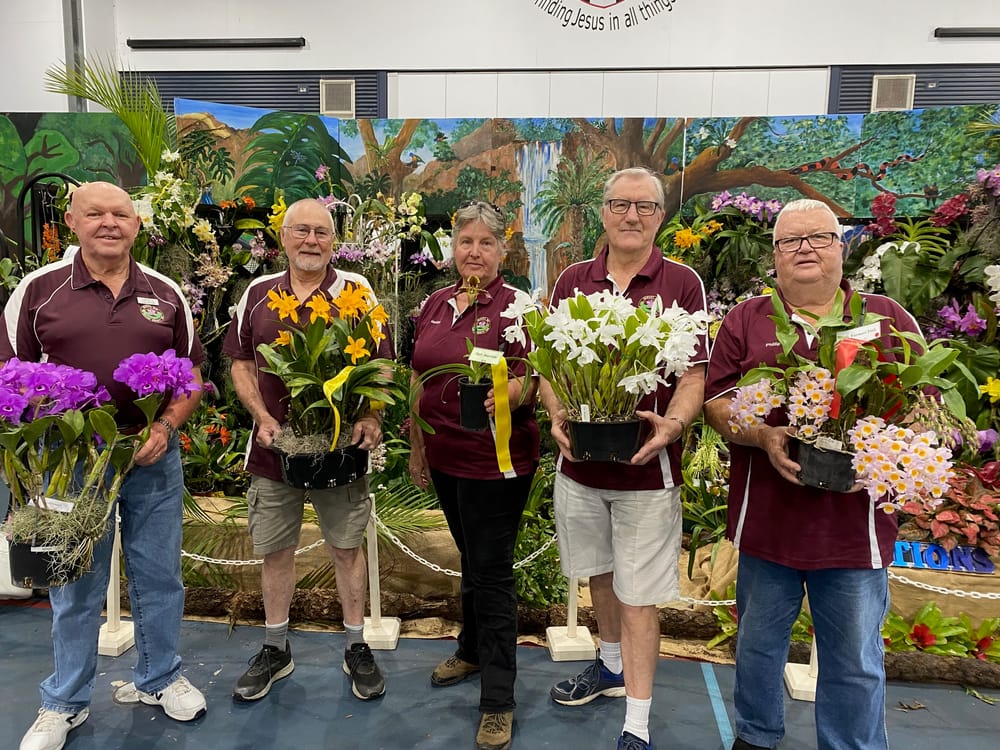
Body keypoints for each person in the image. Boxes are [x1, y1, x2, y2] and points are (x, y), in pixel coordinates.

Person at [703, 199, 922, 750]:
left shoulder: (887, 318)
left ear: (841, 249)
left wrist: (882, 447)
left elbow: (924, 406)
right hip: (768, 525)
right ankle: (754, 737)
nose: (804, 249)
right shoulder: (747, 320)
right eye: (790, 241)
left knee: (854, 660)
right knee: (756, 648)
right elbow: (717, 403)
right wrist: (763, 434)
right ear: (774, 256)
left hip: (854, 527)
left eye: (819, 238)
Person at [1, 181, 207, 750]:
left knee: (160, 574)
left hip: (151, 459)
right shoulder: (37, 292)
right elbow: (7, 373)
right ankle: (63, 701)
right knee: (74, 585)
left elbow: (189, 375)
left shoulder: (166, 293)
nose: (109, 223)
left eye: (121, 214)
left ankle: (160, 677)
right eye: (96, 214)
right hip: (68, 465)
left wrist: (164, 426)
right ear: (72, 222)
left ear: (137, 225)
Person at [539, 168, 708, 750]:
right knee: (601, 576)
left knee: (639, 598)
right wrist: (558, 415)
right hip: (580, 467)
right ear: (604, 213)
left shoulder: (682, 283)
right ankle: (609, 667)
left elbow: (694, 372)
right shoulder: (573, 280)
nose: (631, 215)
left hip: (646, 472)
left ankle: (636, 720)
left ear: (660, 215)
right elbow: (549, 368)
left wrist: (676, 424)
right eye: (619, 204)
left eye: (644, 205)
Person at [223, 197, 388, 705]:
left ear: (334, 241)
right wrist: (264, 419)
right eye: (301, 231)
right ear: (283, 238)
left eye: (321, 232)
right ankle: (276, 647)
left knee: (346, 547)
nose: (311, 241)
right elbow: (241, 365)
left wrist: (371, 416)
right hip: (275, 451)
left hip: (340, 452)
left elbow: (380, 363)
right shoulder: (257, 293)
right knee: (276, 550)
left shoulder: (356, 291)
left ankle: (356, 644)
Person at [408, 200, 539, 750]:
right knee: (472, 559)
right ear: (453, 249)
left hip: (497, 463)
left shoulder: (519, 307)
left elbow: (538, 378)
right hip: (444, 459)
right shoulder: (435, 303)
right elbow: (417, 379)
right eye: (467, 242)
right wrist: (417, 449)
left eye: (487, 243)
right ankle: (468, 649)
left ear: (503, 251)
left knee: (490, 571)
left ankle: (497, 699)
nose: (475, 252)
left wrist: (513, 390)